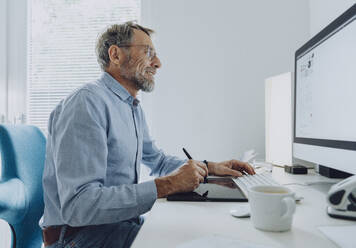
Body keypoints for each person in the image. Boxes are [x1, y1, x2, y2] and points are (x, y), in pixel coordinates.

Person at [40, 21, 255, 248]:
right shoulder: (87, 103)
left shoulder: (130, 106)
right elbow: (79, 207)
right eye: (148, 52)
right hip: (79, 238)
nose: (158, 63)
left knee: (207, 232)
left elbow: (158, 160)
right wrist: (166, 185)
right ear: (115, 54)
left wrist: (209, 167)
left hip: (115, 226)